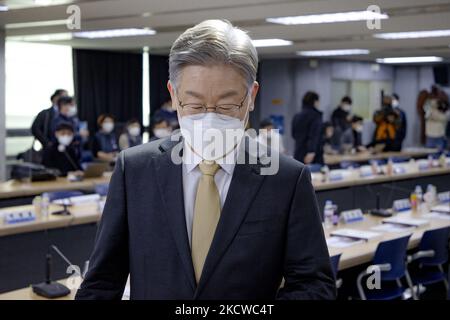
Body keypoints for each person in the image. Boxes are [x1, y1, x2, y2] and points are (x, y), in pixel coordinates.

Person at [76, 19, 335, 300]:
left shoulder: (286, 178)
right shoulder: (134, 170)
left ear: (251, 96)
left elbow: (314, 286)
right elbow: (102, 282)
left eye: (226, 105)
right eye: (195, 105)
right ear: (173, 96)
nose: (210, 117)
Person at [292, 91, 324, 164]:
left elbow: (293, 134)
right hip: (311, 155)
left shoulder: (297, 116)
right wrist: (311, 151)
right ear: (315, 101)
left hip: (298, 151)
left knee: (299, 173)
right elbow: (314, 135)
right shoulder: (316, 116)